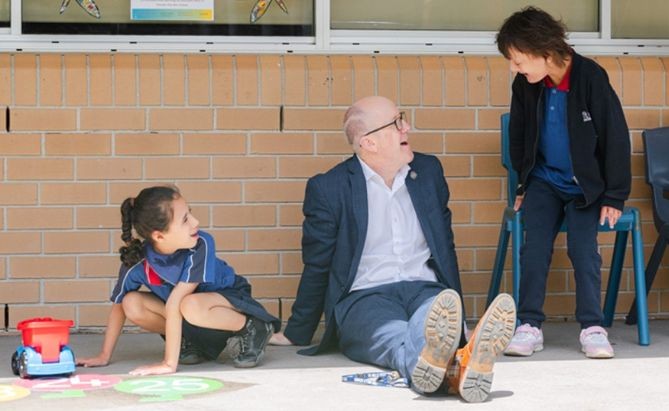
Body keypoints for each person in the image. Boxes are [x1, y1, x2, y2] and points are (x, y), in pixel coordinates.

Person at [268, 95, 516, 402]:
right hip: (364, 296)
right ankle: (460, 365)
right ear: (369, 143)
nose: (407, 127)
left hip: (426, 289)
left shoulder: (428, 172)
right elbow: (317, 263)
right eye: (397, 122)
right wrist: (298, 330)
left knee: (434, 326)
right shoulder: (330, 188)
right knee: (393, 335)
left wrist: (458, 310)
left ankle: (445, 364)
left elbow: (445, 246)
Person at [495, 7, 631, 359]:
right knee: (535, 247)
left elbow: (616, 137)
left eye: (518, 59)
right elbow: (521, 139)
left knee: (582, 250)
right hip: (544, 182)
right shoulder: (525, 84)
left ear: (544, 50)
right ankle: (529, 325)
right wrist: (523, 186)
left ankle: (592, 326)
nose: (515, 68)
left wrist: (614, 196)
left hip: (586, 189)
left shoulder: (590, 77)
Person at [77, 185, 280, 375]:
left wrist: (168, 364)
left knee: (188, 304)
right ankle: (189, 342)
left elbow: (176, 302)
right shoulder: (138, 261)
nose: (195, 222)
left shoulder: (201, 243)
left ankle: (254, 328)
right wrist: (103, 356)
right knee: (131, 302)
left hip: (229, 301)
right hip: (191, 314)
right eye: (185, 219)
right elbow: (118, 307)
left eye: (190, 213)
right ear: (159, 236)